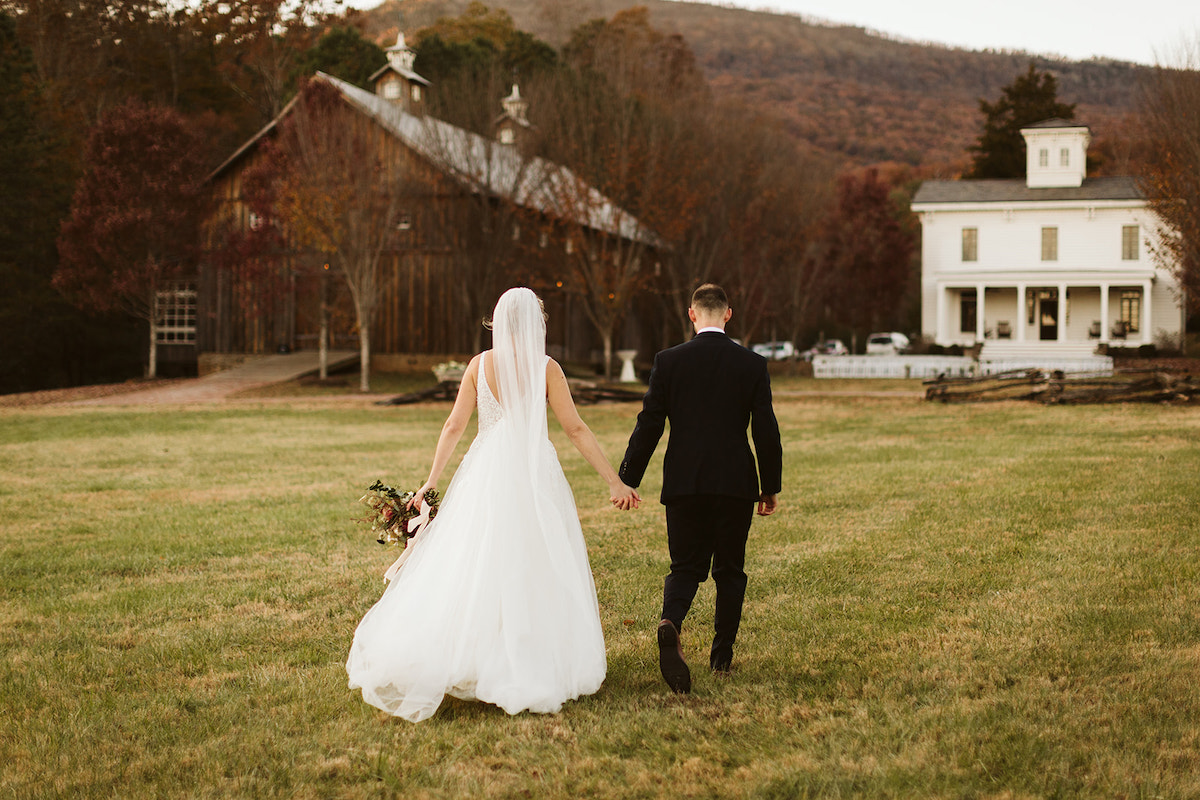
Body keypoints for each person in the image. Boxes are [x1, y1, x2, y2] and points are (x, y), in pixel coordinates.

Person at [347, 287, 640, 722]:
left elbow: (454, 425)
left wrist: (431, 481)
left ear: (499, 321)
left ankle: (475, 655)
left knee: (474, 559)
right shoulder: (547, 368)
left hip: (484, 471)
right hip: (532, 471)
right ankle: (525, 658)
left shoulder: (478, 365)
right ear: (535, 322)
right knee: (534, 562)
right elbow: (576, 429)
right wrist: (614, 480)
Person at [619, 283, 782, 693]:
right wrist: (769, 486)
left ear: (692, 314)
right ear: (728, 314)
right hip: (734, 484)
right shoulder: (751, 364)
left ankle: (671, 622)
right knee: (729, 571)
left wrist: (628, 476)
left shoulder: (669, 361)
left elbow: (650, 422)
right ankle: (721, 659)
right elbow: (765, 430)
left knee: (686, 567)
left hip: (684, 482)